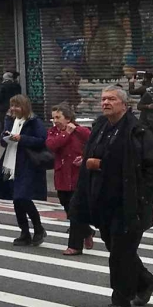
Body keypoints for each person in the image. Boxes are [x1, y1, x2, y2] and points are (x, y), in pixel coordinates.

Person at [76, 85, 153, 307]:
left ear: (124, 105)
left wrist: (142, 195)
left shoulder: (138, 132)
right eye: (104, 99)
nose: (106, 102)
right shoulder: (100, 127)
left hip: (129, 204)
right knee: (118, 249)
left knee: (120, 253)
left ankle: (121, 300)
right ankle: (146, 282)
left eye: (112, 99)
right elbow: (92, 158)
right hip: (103, 201)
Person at [0, 94, 49, 245]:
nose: (13, 109)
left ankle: (38, 228)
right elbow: (4, 141)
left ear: (24, 107)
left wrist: (22, 139)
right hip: (10, 162)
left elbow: (42, 141)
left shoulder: (34, 121)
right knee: (16, 199)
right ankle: (25, 232)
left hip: (27, 164)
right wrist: (5, 137)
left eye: (17, 106)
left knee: (22, 197)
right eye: (12, 105)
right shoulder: (11, 120)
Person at [46, 105, 94, 256]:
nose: (55, 121)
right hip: (61, 176)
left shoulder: (82, 131)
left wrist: (85, 158)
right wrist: (66, 133)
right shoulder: (53, 132)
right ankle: (87, 230)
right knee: (68, 208)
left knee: (75, 210)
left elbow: (94, 146)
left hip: (77, 176)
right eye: (53, 118)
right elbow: (52, 145)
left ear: (68, 118)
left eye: (58, 117)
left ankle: (74, 246)